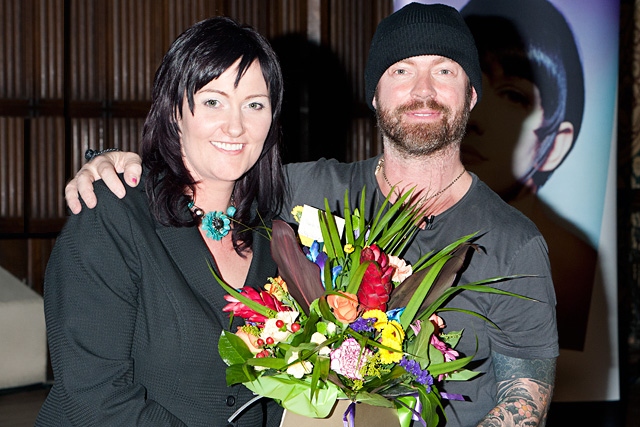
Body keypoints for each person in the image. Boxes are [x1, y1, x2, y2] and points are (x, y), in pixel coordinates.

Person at [62, 3, 558, 426]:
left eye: (445, 70)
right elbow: (208, 173)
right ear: (374, 94)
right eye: (401, 70)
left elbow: (523, 401)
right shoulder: (302, 192)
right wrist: (109, 162)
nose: (422, 89)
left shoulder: (514, 243)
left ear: (471, 95)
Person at [37, 17, 285, 427]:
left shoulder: (276, 243)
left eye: (254, 104)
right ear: (174, 112)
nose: (236, 125)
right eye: (212, 101)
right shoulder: (114, 216)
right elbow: (93, 396)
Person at [459, 0, 594, 351]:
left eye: (512, 95)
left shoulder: (572, 268)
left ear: (555, 145)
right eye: (466, 84)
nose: (474, 115)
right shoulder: (397, 228)